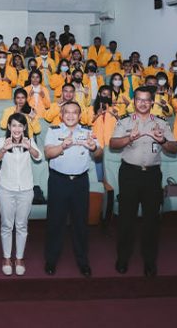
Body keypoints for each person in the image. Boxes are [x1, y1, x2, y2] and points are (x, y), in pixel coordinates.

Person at [110, 86, 177, 278]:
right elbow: (113, 144)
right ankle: (123, 258)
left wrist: (162, 140)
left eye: (146, 100)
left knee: (151, 220)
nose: (142, 103)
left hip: (152, 175)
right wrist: (128, 138)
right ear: (134, 101)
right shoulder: (124, 122)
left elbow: (174, 148)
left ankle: (149, 261)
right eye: (139, 99)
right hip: (129, 174)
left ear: (152, 102)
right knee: (126, 218)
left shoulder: (161, 123)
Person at [43, 102, 102, 277]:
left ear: (80, 115)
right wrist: (62, 146)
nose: (70, 115)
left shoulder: (88, 132)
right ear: (61, 115)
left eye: (74, 112)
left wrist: (94, 148)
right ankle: (51, 260)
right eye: (67, 112)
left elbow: (99, 155)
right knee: (55, 222)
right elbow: (48, 153)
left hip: (80, 182)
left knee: (80, 223)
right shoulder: (53, 131)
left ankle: (83, 261)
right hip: (58, 181)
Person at [0, 113, 43, 276]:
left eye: (20, 126)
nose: (17, 129)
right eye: (14, 125)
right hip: (6, 189)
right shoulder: (3, 141)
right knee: (7, 225)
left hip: (25, 189)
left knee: (21, 225)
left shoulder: (29, 141)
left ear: (24, 127)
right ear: (9, 127)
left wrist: (30, 147)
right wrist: (3, 149)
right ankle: (7, 257)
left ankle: (19, 258)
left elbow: (39, 157)